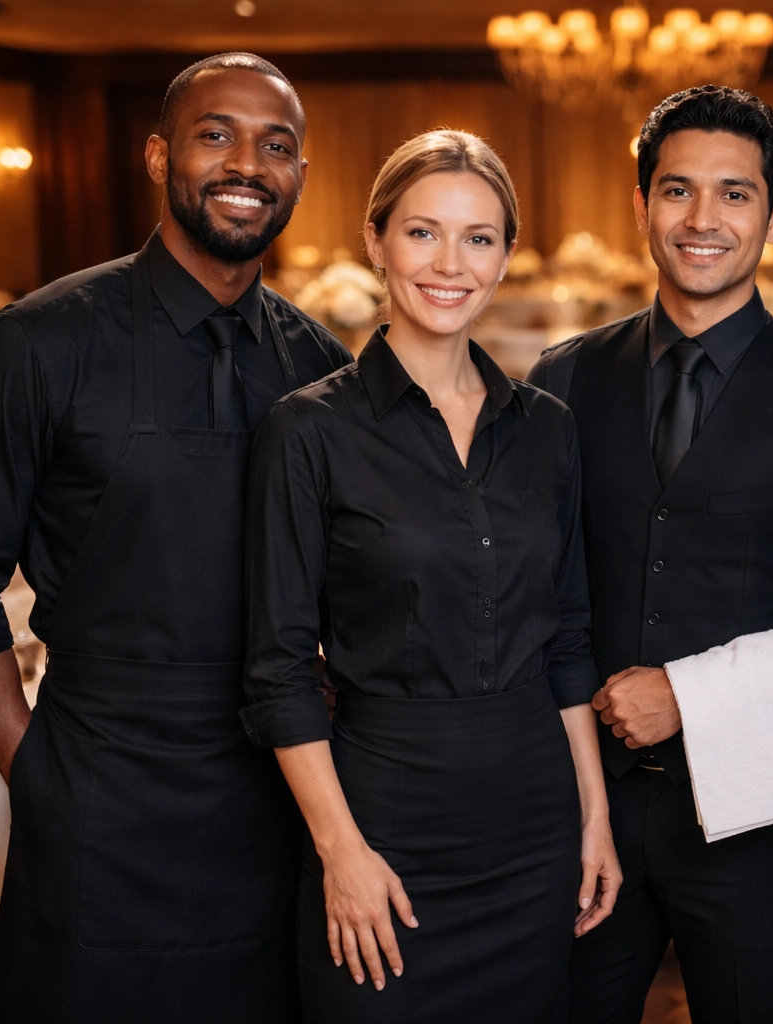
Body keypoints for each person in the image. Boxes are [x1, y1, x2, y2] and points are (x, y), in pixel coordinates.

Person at [0, 53, 353, 1022]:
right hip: (99, 786)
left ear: (301, 176)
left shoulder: (319, 363)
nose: (247, 164)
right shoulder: (37, 343)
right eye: (215, 135)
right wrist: (36, 772)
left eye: (276, 146)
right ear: (157, 156)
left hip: (275, 792)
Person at [527, 85, 773, 1024]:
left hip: (757, 818)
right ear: (642, 205)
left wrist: (684, 695)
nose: (702, 219)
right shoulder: (562, 378)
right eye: (677, 190)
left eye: (735, 194)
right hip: (584, 803)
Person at [241, 129, 620, 1022]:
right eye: (423, 233)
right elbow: (278, 670)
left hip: (535, 832)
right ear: (375, 242)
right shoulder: (307, 431)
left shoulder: (548, 429)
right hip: (383, 828)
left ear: (506, 257)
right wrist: (341, 853)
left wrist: (594, 818)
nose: (451, 264)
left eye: (478, 238)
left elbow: (568, 642)